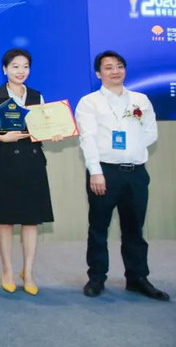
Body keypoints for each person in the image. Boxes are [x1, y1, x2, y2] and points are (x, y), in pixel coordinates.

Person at [75, 51, 169, 301]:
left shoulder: (140, 99)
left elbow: (150, 133)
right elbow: (88, 139)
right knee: (99, 228)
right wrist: (95, 171)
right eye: (108, 67)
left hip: (136, 173)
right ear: (99, 74)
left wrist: (131, 149)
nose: (115, 71)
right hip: (105, 172)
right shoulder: (89, 102)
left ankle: (137, 278)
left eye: (119, 66)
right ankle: (96, 278)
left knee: (134, 229)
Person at [0, 49, 58, 296]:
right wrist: (1, 137)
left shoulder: (36, 96)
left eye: (25, 66)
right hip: (6, 161)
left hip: (32, 162)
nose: (21, 71)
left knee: (31, 220)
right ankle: (7, 270)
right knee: (6, 219)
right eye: (15, 66)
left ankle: (28, 272)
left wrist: (53, 133)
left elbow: (44, 126)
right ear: (5, 69)